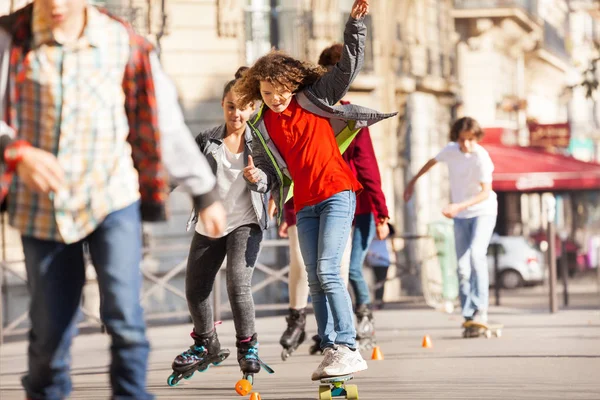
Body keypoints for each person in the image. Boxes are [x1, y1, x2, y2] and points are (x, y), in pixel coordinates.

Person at [0, 2, 225, 399]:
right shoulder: (10, 38)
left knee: (124, 317)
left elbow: (163, 122)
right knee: (51, 334)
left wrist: (204, 192)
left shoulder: (122, 41)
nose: (56, 5)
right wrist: (14, 151)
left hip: (112, 198)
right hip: (43, 207)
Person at [237, 0, 396, 380]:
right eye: (267, 91)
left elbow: (348, 67)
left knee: (328, 269)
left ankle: (348, 345)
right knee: (313, 277)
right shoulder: (261, 125)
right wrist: (258, 180)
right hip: (305, 204)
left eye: (280, 90)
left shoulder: (315, 97)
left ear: (292, 84)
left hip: (338, 193)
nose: (275, 98)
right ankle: (330, 347)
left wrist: (355, 26)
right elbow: (271, 174)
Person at [278, 41, 391, 355]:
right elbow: (291, 166)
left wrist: (381, 212)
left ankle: (348, 333)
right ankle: (315, 328)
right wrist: (288, 213)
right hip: (309, 199)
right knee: (312, 267)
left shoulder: (349, 114)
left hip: (349, 200)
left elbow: (367, 166)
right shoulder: (305, 111)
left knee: (340, 268)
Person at [167, 68, 273, 386]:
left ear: (252, 108)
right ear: (223, 106)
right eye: (230, 106)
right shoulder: (207, 140)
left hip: (246, 222)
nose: (236, 114)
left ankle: (248, 347)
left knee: (237, 285)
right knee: (195, 290)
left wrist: (260, 179)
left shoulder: (261, 145)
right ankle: (206, 343)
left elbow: (271, 180)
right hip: (211, 222)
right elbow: (188, 171)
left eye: (242, 107)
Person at [404, 117, 498, 326]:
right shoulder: (451, 150)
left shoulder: (481, 157)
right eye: (462, 140)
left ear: (477, 138)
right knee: (462, 267)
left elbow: (486, 192)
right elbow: (431, 162)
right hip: (461, 215)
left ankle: (481, 309)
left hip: (483, 211)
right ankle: (468, 313)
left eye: (471, 140)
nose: (466, 145)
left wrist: (457, 206)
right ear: (456, 138)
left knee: (476, 255)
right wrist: (412, 182)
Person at [365, 223, 395, 309]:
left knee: (379, 282)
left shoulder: (383, 226)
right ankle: (375, 301)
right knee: (377, 281)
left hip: (381, 259)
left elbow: (393, 233)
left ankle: (378, 302)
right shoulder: (371, 227)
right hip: (376, 258)